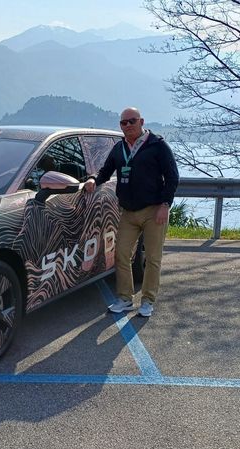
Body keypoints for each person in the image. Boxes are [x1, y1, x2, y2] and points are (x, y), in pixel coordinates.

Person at [84, 107, 179, 317]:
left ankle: (148, 301)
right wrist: (93, 180)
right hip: (128, 211)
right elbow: (105, 171)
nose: (127, 126)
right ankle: (125, 299)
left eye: (132, 121)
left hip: (154, 210)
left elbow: (172, 177)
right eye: (123, 122)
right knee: (121, 254)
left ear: (141, 122)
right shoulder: (119, 148)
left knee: (153, 258)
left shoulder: (157, 145)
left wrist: (165, 205)